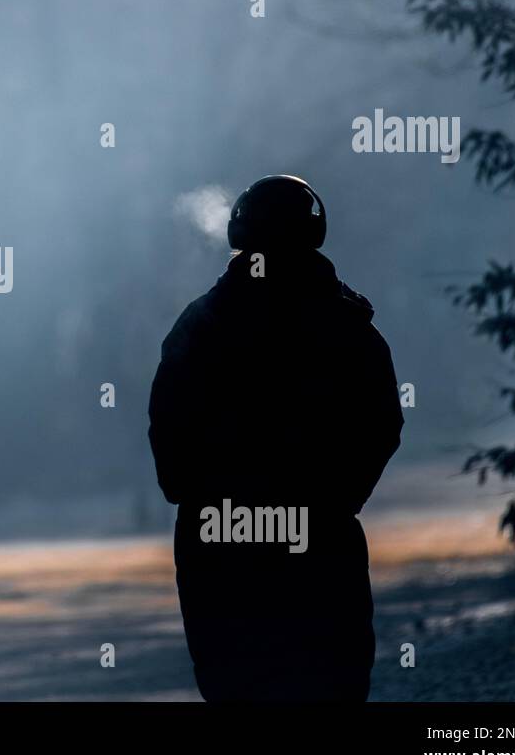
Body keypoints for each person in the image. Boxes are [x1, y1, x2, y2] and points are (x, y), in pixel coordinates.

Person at [147, 175, 403, 701]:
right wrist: (335, 501)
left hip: (218, 537)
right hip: (318, 536)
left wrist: (193, 495)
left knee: (236, 686)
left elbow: (167, 422)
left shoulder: (200, 323)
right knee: (329, 683)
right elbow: (381, 423)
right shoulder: (346, 323)